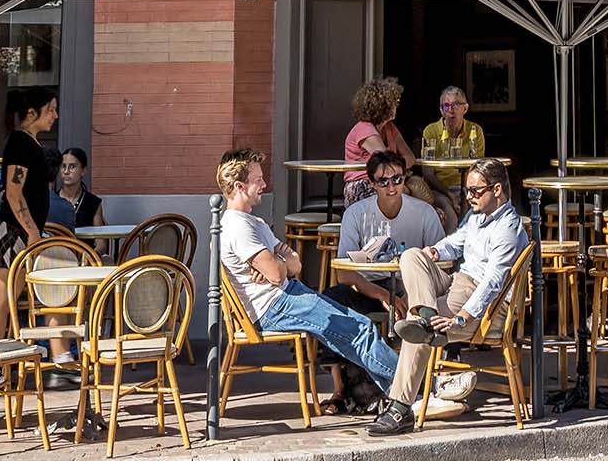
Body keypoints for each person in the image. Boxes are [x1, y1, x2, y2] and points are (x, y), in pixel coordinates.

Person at [216, 147, 405, 410]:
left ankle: (400, 396)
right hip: (274, 305)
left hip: (286, 294)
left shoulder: (254, 222)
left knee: (355, 331)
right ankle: (414, 391)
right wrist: (279, 264)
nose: (264, 184)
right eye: (258, 180)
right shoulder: (239, 226)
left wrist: (280, 263)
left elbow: (295, 264)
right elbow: (277, 270)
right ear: (239, 186)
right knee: (361, 330)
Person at [373, 157, 528, 437]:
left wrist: (462, 317)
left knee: (418, 331)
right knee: (412, 257)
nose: (468, 197)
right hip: (457, 283)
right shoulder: (477, 216)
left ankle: (399, 407)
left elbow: (492, 283)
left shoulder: (507, 229)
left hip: (485, 306)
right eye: (467, 190)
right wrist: (435, 251)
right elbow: (455, 243)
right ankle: (425, 316)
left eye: (475, 191)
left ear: (497, 190)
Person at [321, 149, 445, 414]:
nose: (392, 187)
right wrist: (381, 295)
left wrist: (407, 294)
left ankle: (420, 383)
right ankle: (339, 390)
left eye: (397, 179)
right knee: (330, 302)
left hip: (409, 285)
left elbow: (441, 264)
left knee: (427, 304)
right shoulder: (356, 214)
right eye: (383, 181)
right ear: (371, 184)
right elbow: (345, 271)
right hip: (370, 286)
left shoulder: (424, 212)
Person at [0, 87, 62, 383]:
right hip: (14, 230)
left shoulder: (28, 143)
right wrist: (32, 232)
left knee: (7, 297)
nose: (55, 116)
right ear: (32, 112)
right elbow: (14, 193)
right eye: (51, 109)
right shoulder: (20, 143)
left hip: (19, 229)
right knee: (3, 298)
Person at [343, 78, 420, 210]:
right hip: (364, 185)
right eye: (394, 102)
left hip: (388, 183)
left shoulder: (390, 128)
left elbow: (410, 157)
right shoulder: (364, 129)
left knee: (432, 211)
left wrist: (396, 166)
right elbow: (386, 163)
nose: (397, 105)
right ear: (382, 106)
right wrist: (398, 167)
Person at [419, 88, 485, 157]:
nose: (450, 110)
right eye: (446, 106)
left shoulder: (475, 130)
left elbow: (478, 164)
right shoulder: (430, 131)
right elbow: (427, 165)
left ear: (465, 108)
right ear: (441, 110)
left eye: (455, 105)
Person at [53, 148, 105, 228]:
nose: (66, 171)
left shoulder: (93, 203)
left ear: (83, 171)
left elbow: (100, 239)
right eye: (63, 166)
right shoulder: (52, 200)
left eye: (72, 167)